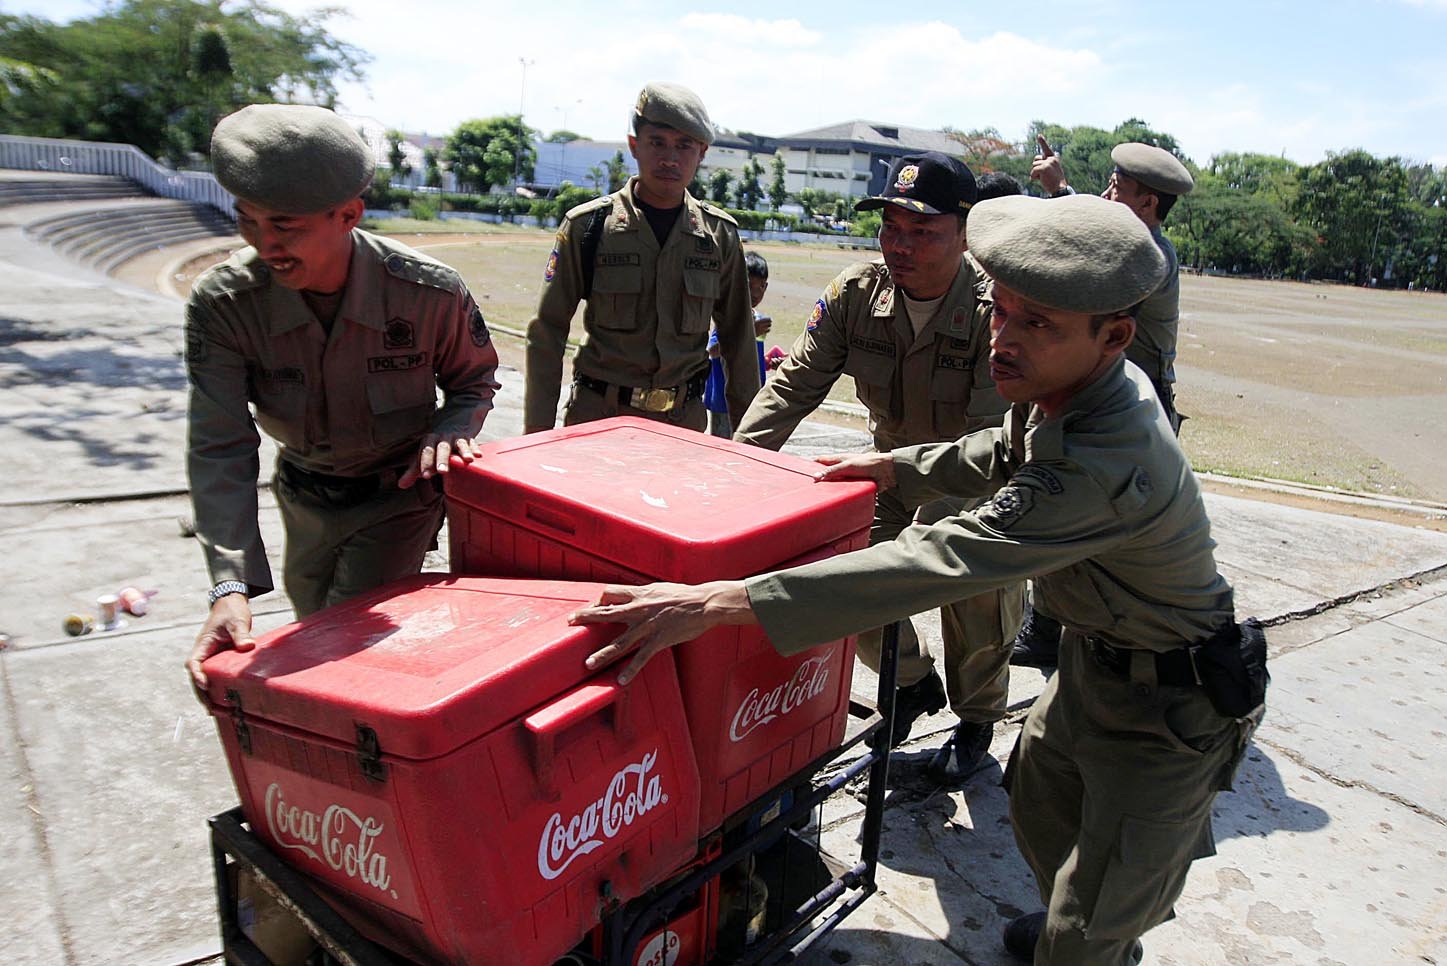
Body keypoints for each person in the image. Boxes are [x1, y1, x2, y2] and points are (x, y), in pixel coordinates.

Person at [571, 194, 1265, 966]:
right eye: (1001, 312)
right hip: (1091, 670)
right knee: (1039, 810)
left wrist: (715, 603)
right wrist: (893, 464)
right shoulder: (1074, 386)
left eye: (1036, 324)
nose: (1001, 339)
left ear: (1115, 335)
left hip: (1170, 707)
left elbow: (936, 563)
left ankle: (1093, 944)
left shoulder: (1107, 458)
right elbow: (996, 451)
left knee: (1094, 913)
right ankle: (1084, 930)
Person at [183, 104, 500, 689]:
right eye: (247, 221)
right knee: (312, 614)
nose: (264, 243)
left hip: (397, 497)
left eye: (285, 225)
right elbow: (219, 444)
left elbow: (473, 379)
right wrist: (229, 585)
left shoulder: (426, 292)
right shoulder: (224, 302)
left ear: (348, 214)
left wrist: (453, 427)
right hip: (304, 496)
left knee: (342, 641)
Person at [731, 152, 1023, 783]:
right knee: (846, 575)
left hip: (972, 473)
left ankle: (976, 719)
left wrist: (900, 476)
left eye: (924, 233)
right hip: (887, 462)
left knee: (969, 586)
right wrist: (738, 462)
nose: (902, 246)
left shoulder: (993, 308)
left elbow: (986, 438)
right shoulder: (856, 295)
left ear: (965, 231)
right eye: (893, 228)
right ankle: (910, 684)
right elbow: (794, 385)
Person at [1017, 137, 1195, 670]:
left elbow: (1083, 273)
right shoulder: (1139, 249)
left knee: (1078, 514)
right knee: (1062, 504)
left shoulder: (1148, 258)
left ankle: (1066, 628)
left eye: (1120, 187)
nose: (1108, 191)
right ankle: (1049, 623)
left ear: (1146, 204)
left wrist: (1061, 191)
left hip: (1129, 413)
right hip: (1104, 400)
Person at [525, 82, 759, 435]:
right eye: (657, 143)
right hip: (599, 420)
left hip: (683, 427)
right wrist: (537, 438)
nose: (670, 158)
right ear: (634, 145)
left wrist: (750, 446)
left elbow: (738, 343)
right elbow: (547, 332)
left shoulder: (719, 236)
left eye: (684, 146)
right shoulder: (589, 227)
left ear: (702, 152)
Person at [705, 251, 770, 438]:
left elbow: (747, 357)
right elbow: (713, 351)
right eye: (750, 286)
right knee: (722, 450)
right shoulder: (730, 317)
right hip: (725, 401)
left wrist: (769, 362)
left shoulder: (756, 318)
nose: (756, 293)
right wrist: (750, 333)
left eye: (761, 287)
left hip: (751, 399)